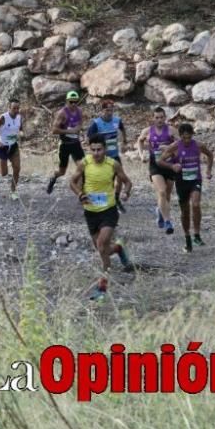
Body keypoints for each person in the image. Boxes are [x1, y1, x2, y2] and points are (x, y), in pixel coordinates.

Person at [69, 134, 133, 301]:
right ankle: (118, 248)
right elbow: (72, 182)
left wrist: (126, 192)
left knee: (101, 243)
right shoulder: (85, 163)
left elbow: (127, 181)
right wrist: (80, 194)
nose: (96, 153)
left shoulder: (113, 164)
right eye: (93, 150)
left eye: (99, 149)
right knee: (103, 250)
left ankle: (102, 287)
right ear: (89, 149)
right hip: (91, 212)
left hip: (108, 210)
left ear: (105, 149)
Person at [157, 123, 214, 254]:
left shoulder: (198, 145)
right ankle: (187, 238)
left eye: (189, 137)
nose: (187, 140)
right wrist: (172, 167)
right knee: (185, 211)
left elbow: (210, 155)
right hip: (181, 181)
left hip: (195, 180)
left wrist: (208, 171)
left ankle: (197, 235)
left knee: (195, 204)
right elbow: (160, 161)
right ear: (180, 137)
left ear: (192, 136)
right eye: (184, 138)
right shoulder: (175, 146)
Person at [137, 107, 177, 235]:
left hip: (169, 165)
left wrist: (169, 148)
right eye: (157, 117)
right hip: (155, 166)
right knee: (161, 191)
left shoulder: (171, 130)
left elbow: (180, 144)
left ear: (165, 117)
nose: (159, 120)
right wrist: (141, 154)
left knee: (168, 195)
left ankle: (160, 212)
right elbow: (139, 141)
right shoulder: (147, 131)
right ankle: (168, 221)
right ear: (153, 118)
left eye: (161, 117)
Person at [87, 99, 128, 212]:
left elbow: (122, 129)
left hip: (114, 155)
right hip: (102, 158)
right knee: (106, 180)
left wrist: (124, 142)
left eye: (111, 110)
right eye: (107, 110)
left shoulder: (116, 120)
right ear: (102, 110)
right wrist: (95, 150)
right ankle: (99, 204)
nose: (109, 112)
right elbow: (89, 137)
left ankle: (116, 198)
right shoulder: (96, 123)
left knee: (120, 177)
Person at [46, 90, 85, 194]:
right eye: (71, 102)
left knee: (83, 167)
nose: (73, 104)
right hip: (65, 146)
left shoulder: (79, 111)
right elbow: (54, 130)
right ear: (67, 101)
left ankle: (82, 193)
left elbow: (81, 124)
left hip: (76, 144)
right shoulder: (62, 113)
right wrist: (69, 131)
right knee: (62, 172)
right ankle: (53, 178)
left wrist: (78, 128)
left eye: (75, 102)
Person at [0, 98, 25, 200]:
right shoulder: (3, 118)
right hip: (2, 147)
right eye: (14, 108)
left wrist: (21, 133)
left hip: (13, 146)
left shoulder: (19, 117)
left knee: (17, 168)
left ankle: (13, 191)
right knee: (3, 173)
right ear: (9, 108)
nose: (16, 110)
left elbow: (21, 128)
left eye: (18, 108)